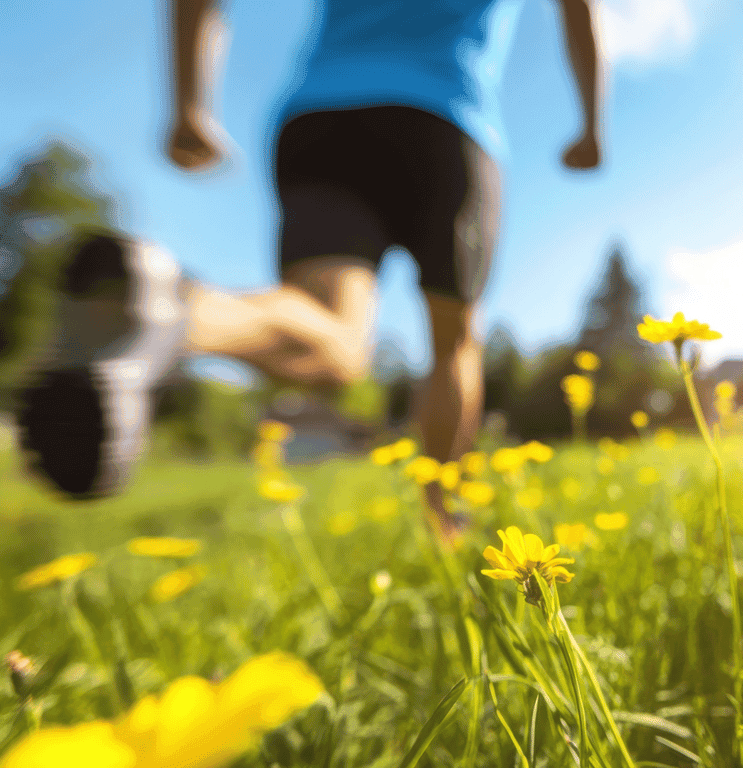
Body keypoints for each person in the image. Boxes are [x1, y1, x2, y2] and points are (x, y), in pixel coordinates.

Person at [17, 0, 601, 532]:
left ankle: (178, 311)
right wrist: (592, 125)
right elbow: (580, 12)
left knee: (332, 329)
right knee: (453, 344)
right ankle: (442, 522)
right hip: (445, 119)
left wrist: (190, 103)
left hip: (323, 121)